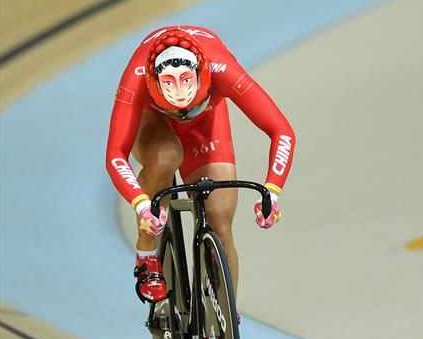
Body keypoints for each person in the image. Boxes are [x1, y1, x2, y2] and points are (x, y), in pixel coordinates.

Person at [106, 26, 295, 308]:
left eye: (189, 104)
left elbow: (281, 130)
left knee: (219, 220)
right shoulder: (136, 78)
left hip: (207, 121)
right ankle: (146, 256)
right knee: (166, 156)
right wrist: (141, 204)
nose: (181, 112)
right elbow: (115, 155)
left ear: (204, 78)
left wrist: (272, 190)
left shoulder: (223, 71)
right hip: (153, 120)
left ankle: (222, 314)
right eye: (173, 103)